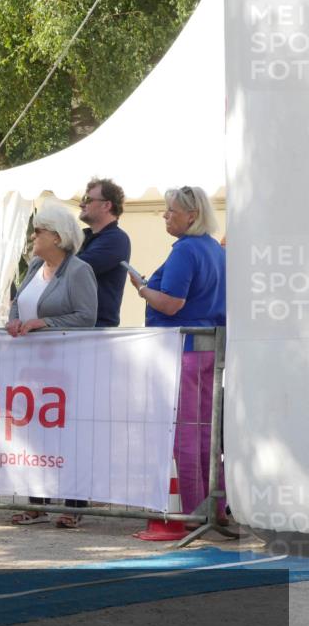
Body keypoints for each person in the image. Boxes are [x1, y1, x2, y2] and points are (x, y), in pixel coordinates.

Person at [128, 185, 226, 521]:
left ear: (191, 215)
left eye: (171, 211)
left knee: (185, 432)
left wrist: (142, 289)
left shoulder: (185, 251)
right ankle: (215, 507)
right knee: (206, 432)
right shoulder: (215, 249)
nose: (165, 216)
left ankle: (192, 510)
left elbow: (171, 303)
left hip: (184, 350)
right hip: (210, 347)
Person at [7, 201, 97, 528]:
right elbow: (18, 302)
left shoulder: (79, 270)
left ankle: (74, 506)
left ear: (57, 237)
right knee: (35, 435)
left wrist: (44, 323)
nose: (33, 237)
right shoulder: (33, 266)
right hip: (31, 367)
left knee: (69, 435)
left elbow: (87, 317)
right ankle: (36, 502)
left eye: (39, 232)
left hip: (67, 366)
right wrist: (14, 322)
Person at [77, 177, 132, 327]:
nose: (81, 204)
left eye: (87, 199)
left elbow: (76, 268)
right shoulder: (82, 236)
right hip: (75, 327)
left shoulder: (117, 239)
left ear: (106, 205)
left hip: (96, 330)